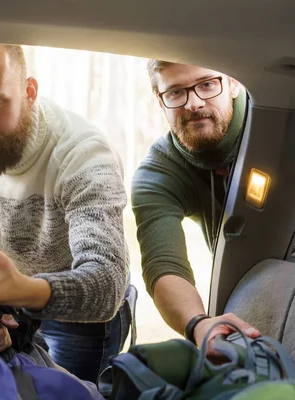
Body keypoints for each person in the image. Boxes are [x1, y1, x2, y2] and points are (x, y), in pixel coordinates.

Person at [0, 42, 131, 383]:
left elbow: (106, 284)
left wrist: (19, 291)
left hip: (84, 311)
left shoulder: (84, 153)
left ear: (29, 91)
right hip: (10, 296)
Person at [131, 60, 261, 356]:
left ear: (234, 82)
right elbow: (163, 264)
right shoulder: (158, 173)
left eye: (206, 84)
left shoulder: (276, 129)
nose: (194, 103)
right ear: (159, 101)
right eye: (176, 92)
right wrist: (198, 325)